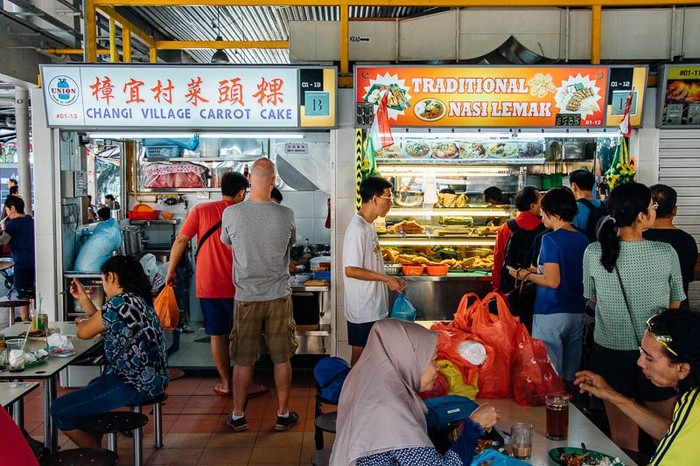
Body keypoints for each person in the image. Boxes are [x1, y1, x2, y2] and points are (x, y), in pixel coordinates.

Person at [583, 182, 685, 452]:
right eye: (652, 206)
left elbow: (591, 298)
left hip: (610, 353)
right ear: (641, 216)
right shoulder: (666, 253)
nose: (654, 210)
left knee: (623, 440)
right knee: (666, 434)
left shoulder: (594, 252)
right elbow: (676, 306)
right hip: (658, 356)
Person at [330, 319, 499, 466]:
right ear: (409, 361)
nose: (438, 367)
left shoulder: (371, 387)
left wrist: (457, 433)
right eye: (432, 360)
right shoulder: (388, 410)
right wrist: (473, 427)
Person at [51, 255, 169, 448]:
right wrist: (83, 297)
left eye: (103, 279)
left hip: (133, 383)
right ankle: (95, 450)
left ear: (112, 277)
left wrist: (81, 323)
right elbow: (103, 323)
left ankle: (97, 456)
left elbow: (84, 332)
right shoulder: (137, 301)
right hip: (154, 380)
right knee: (93, 386)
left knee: (59, 410)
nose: (103, 284)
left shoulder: (119, 303)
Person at [220, 158, 299, 432]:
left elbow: (226, 242)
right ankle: (283, 414)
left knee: (243, 359)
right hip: (278, 295)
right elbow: (291, 244)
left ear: (249, 179)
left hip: (246, 297)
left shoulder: (231, 214)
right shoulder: (286, 214)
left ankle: (238, 415)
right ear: (273, 180)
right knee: (281, 358)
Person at [166, 171, 259, 397]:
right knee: (245, 336)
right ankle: (245, 385)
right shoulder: (244, 213)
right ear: (241, 192)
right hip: (239, 285)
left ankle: (226, 383)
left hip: (208, 285)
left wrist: (171, 270)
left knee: (217, 335)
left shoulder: (201, 210)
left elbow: (181, 239)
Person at [575, 308, 700, 465]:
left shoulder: (695, 404)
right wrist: (612, 395)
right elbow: (676, 433)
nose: (640, 362)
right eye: (641, 352)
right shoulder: (691, 396)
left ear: (682, 369)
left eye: (649, 358)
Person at [508, 188, 589, 387]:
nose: (541, 215)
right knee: (571, 373)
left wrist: (523, 274)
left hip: (551, 311)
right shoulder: (583, 239)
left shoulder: (550, 239)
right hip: (577, 311)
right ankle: (572, 411)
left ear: (554, 212)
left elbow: (552, 281)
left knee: (548, 371)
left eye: (544, 211)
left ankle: (552, 410)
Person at [343, 176, 407, 365]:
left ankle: (363, 392)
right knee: (360, 355)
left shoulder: (368, 225)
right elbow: (351, 270)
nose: (391, 204)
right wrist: (386, 280)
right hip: (362, 307)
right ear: (374, 199)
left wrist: (388, 278)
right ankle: (351, 393)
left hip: (373, 306)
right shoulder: (357, 230)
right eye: (388, 199)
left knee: (370, 356)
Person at [643, 184, 698, 309]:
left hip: (646, 310)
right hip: (680, 311)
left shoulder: (639, 239)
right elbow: (687, 278)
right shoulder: (688, 241)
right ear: (674, 210)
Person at [0, 196, 34, 320]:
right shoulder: (30, 220)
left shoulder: (12, 224)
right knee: (32, 292)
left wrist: (4, 229)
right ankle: (31, 318)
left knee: (23, 295)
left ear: (13, 208)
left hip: (21, 263)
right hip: (34, 261)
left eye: (7, 210)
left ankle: (25, 320)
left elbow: (3, 241)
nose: (7, 213)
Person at [569, 168, 605, 236]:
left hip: (584, 246)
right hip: (603, 245)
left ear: (574, 186)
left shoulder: (574, 208)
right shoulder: (602, 204)